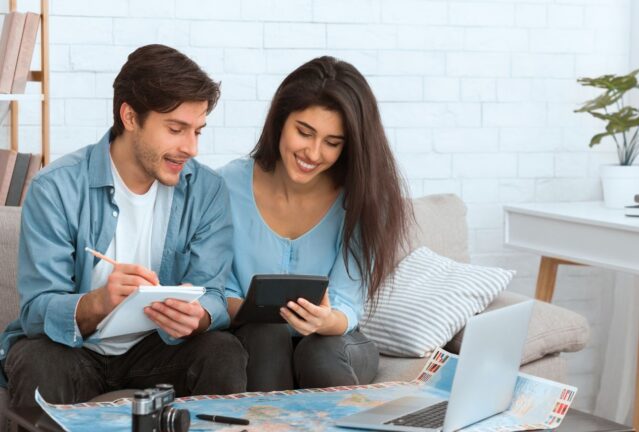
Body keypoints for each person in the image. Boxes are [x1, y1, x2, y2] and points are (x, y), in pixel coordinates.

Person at [0, 44, 247, 407]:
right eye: (176, 129)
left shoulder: (206, 191)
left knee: (222, 351)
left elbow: (213, 293)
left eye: (197, 131)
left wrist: (200, 316)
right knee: (38, 362)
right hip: (74, 350)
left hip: (157, 349)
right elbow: (37, 312)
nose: (191, 148)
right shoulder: (55, 188)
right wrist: (98, 302)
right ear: (130, 117)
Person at [219, 56, 412, 391]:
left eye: (332, 143)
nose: (313, 153)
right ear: (280, 120)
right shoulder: (225, 186)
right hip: (255, 339)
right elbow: (218, 290)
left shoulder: (361, 200)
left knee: (318, 352)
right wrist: (256, 311)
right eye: (304, 132)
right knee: (266, 334)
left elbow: (347, 304)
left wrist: (326, 320)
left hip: (335, 341)